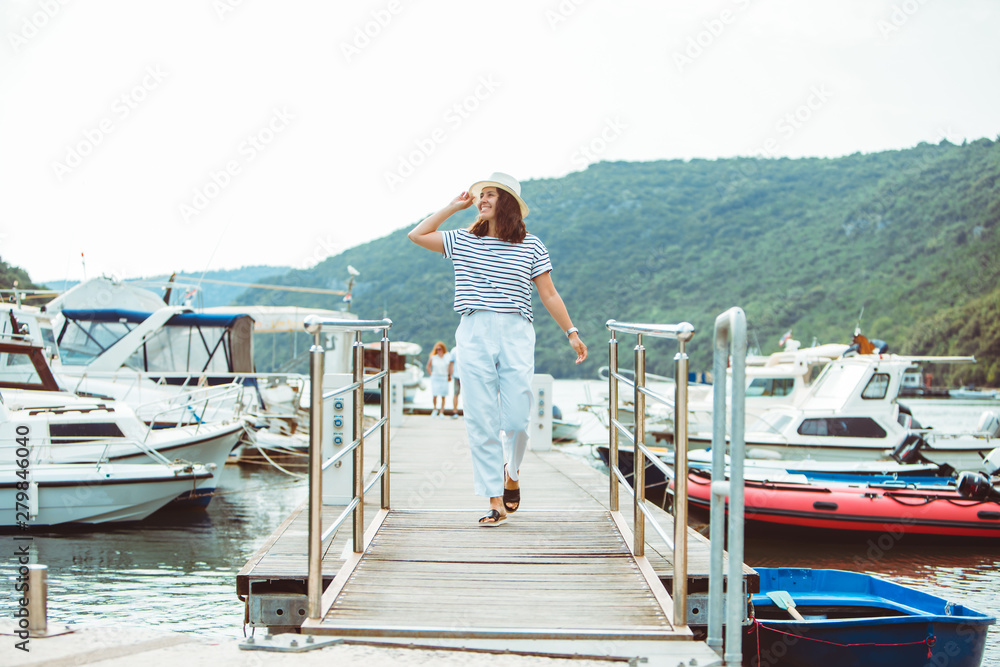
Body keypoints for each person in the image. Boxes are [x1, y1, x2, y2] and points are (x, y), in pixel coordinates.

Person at [407, 172, 587, 526]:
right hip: (474, 329)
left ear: (507, 203)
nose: (481, 199)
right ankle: (494, 500)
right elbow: (417, 235)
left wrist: (571, 332)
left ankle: (512, 473)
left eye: (490, 194)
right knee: (480, 418)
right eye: (479, 195)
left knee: (518, 419)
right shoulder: (463, 240)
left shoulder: (532, 245)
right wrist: (452, 206)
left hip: (517, 328)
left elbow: (548, 293)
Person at [426, 341, 451, 418]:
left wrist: (449, 375)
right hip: (435, 377)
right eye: (437, 349)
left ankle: (441, 412)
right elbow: (428, 367)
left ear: (443, 349)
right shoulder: (433, 357)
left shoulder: (447, 356)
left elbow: (450, 366)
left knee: (443, 396)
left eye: (440, 349)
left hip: (444, 377)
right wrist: (431, 374)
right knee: (435, 395)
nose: (438, 351)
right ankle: (435, 409)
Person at [450, 345, 461, 419]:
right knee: (455, 394)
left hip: (466, 376)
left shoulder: (468, 348)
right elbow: (451, 363)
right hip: (456, 375)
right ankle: (455, 412)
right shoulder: (454, 350)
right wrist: (449, 375)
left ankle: (465, 413)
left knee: (466, 395)